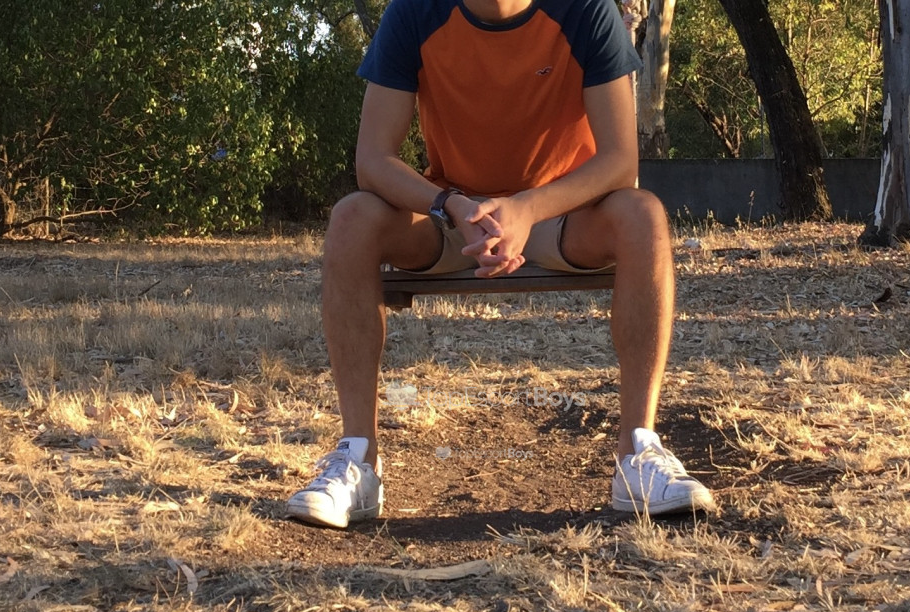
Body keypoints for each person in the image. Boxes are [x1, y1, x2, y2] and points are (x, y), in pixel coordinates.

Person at [285, 0, 716, 528]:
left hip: (560, 214)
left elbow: (620, 162)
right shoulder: (414, 12)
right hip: (454, 218)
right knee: (352, 218)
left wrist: (527, 209)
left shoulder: (587, 10)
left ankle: (639, 456)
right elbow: (373, 160)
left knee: (643, 215)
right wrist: (452, 205)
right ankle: (358, 462)